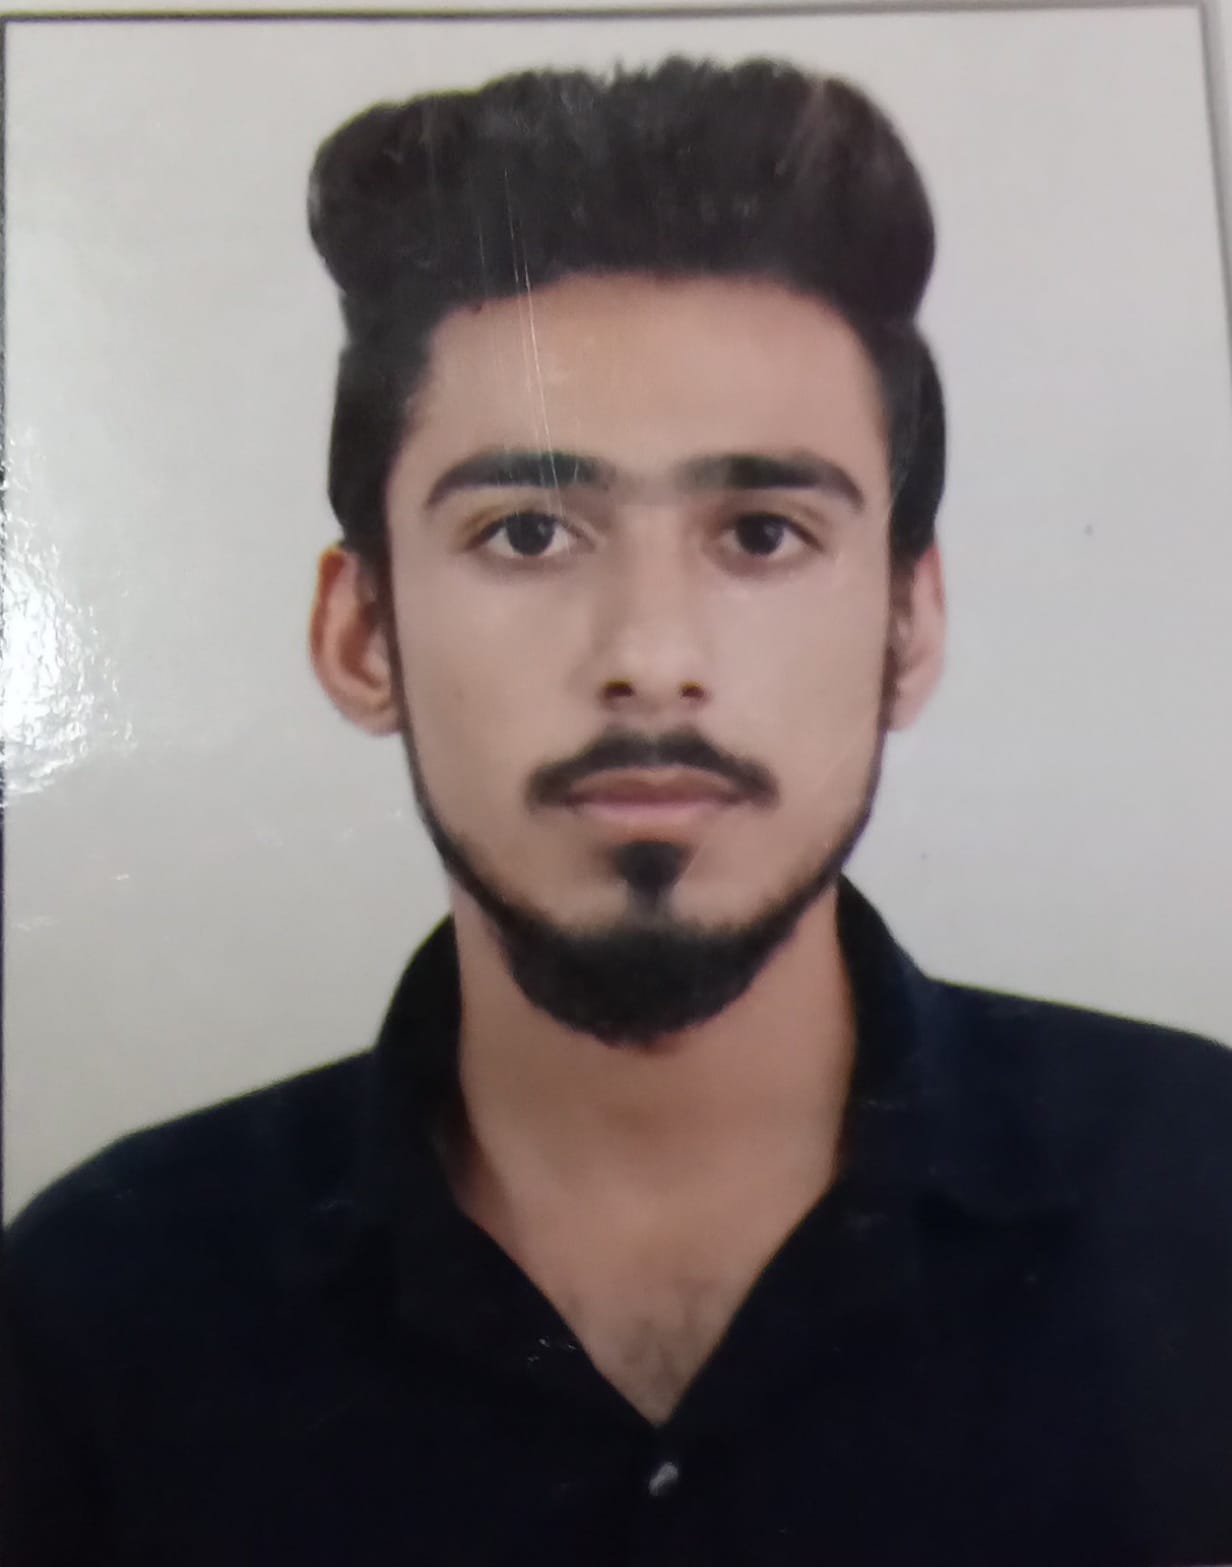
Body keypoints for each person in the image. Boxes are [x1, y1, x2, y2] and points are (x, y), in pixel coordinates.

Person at [4, 55, 1232, 1567]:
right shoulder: (93, 1308)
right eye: (528, 532)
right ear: (363, 632)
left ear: (909, 626)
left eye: (763, 532)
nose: (650, 657)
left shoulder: (1204, 1198)